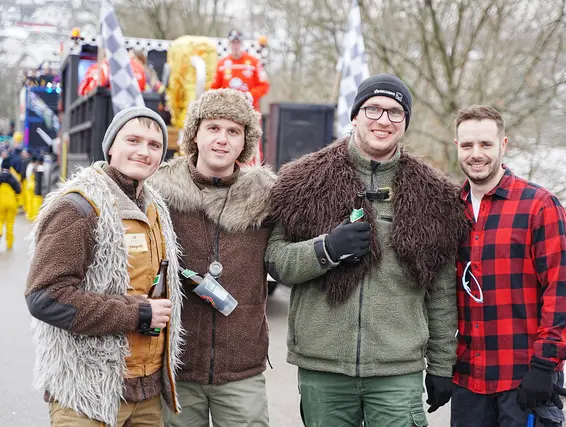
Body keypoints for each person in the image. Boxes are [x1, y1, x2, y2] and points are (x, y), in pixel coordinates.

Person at [265, 74, 469, 427]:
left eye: (395, 112)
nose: (383, 120)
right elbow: (276, 261)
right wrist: (326, 250)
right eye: (373, 109)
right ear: (356, 115)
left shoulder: (436, 196)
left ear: (405, 122)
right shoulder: (302, 181)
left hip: (397, 373)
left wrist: (441, 366)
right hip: (323, 367)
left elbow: (441, 292)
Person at [24, 107, 184, 427]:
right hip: (87, 396)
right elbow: (45, 297)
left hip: (147, 395)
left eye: (154, 145)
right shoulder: (78, 206)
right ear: (110, 146)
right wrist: (138, 313)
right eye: (133, 140)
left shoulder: (156, 208)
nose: (144, 151)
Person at [152, 88, 275, 427]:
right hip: (176, 367)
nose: (222, 139)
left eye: (233, 131)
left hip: (241, 372)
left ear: (245, 141)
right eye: (213, 128)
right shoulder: (157, 193)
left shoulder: (266, 198)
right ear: (195, 134)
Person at [451, 105, 566, 427]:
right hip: (468, 378)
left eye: (486, 144)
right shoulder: (449, 210)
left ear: (503, 145)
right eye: (468, 145)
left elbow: (559, 291)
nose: (476, 154)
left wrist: (545, 364)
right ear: (457, 147)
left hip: (524, 378)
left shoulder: (539, 206)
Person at [211, 29, 269, 164]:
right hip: (228, 113)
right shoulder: (222, 64)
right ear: (229, 44)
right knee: (228, 142)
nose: (235, 45)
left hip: (250, 112)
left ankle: (253, 172)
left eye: (238, 42)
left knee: (252, 144)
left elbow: (264, 86)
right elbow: (214, 89)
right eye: (233, 42)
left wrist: (250, 95)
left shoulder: (253, 62)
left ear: (242, 43)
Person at [0, 157, 22, 250]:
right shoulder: (12, 178)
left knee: (0, 221)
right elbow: (19, 190)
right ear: (9, 167)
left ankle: (0, 232)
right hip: (11, 203)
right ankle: (9, 244)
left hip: (0, 203)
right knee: (10, 223)